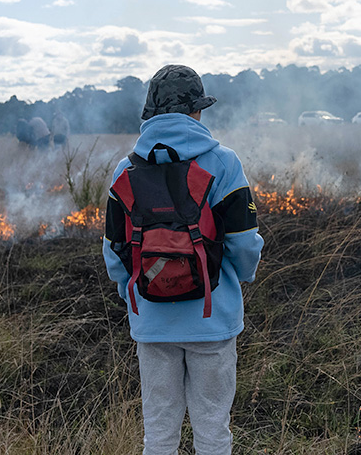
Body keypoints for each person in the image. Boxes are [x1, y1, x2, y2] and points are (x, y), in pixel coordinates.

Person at [102, 64, 263, 455]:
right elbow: (244, 243)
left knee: (158, 434)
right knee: (212, 431)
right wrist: (237, 281)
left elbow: (114, 252)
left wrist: (133, 296)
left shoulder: (125, 170)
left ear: (151, 114)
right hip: (213, 320)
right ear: (197, 111)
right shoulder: (223, 162)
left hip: (152, 324)